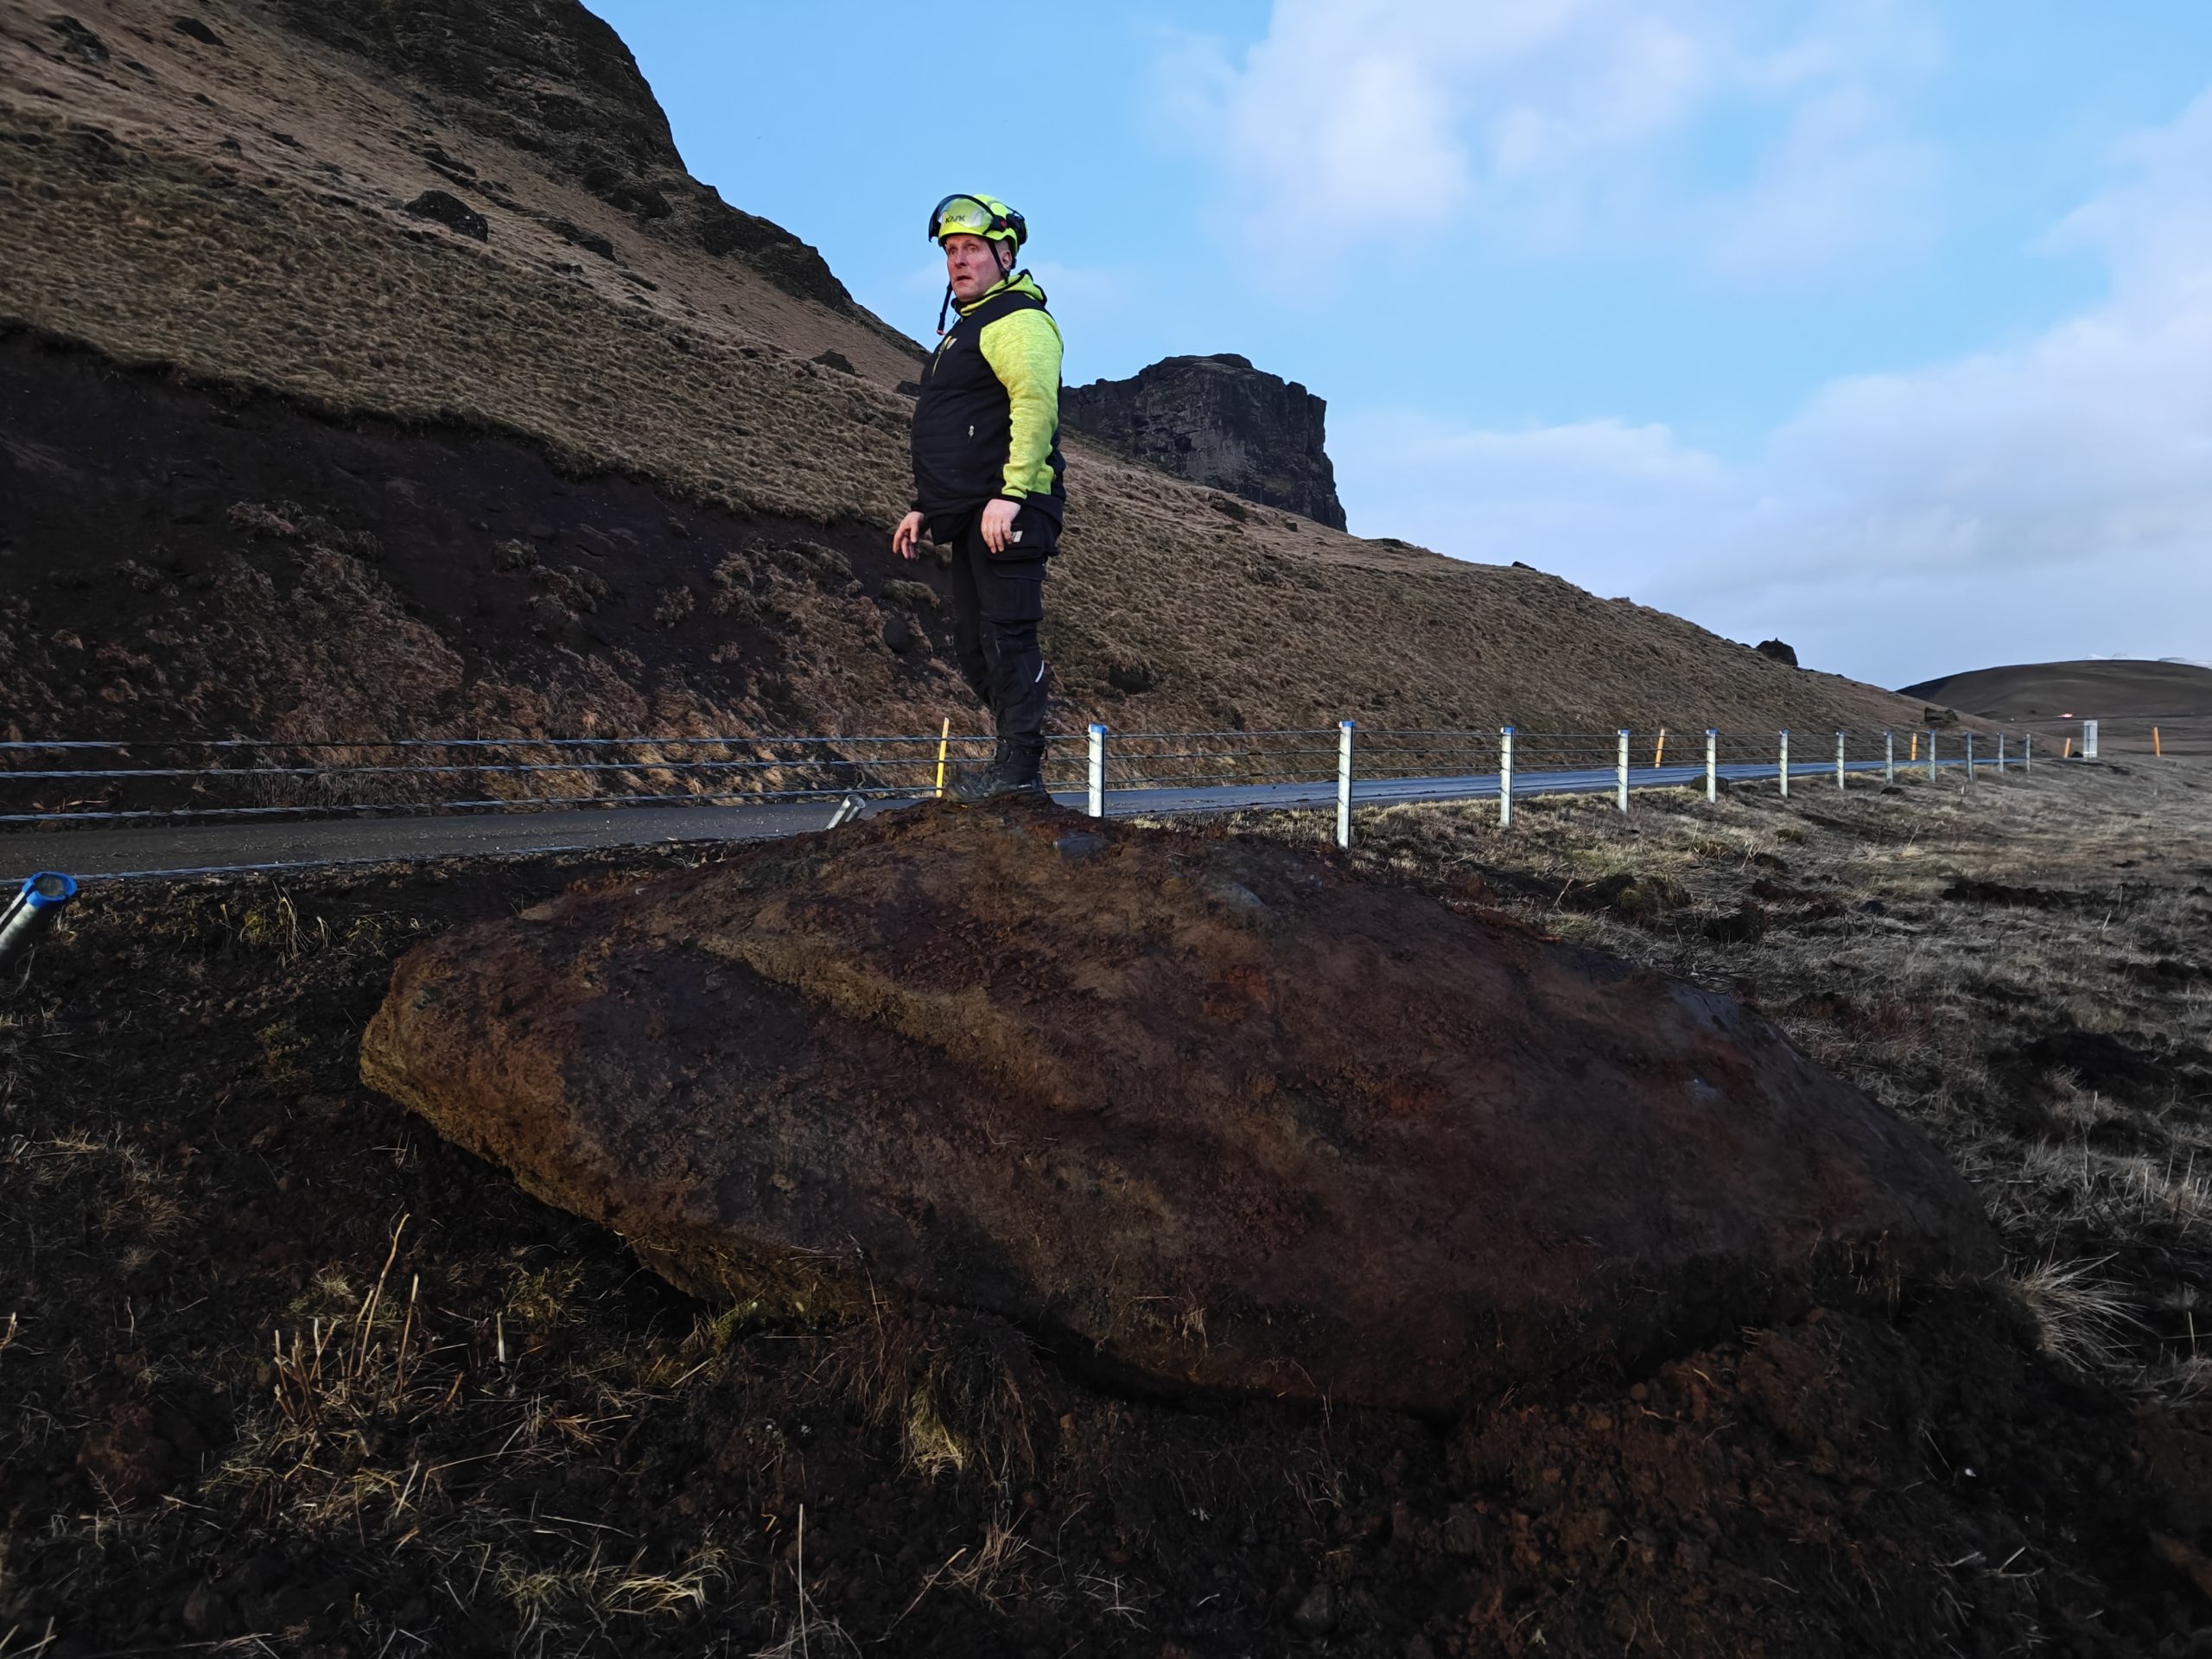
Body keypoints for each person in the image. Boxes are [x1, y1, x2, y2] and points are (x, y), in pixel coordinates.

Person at [893, 193, 1066, 800]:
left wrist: (1013, 493)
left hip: (1009, 509)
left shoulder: (1018, 320)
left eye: (972, 249)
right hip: (970, 511)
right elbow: (961, 431)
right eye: (951, 251)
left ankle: (1019, 772)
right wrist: (925, 505)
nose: (958, 261)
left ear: (1006, 255)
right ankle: (1009, 760)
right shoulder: (969, 328)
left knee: (1006, 635)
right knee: (973, 646)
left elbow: (1035, 406)